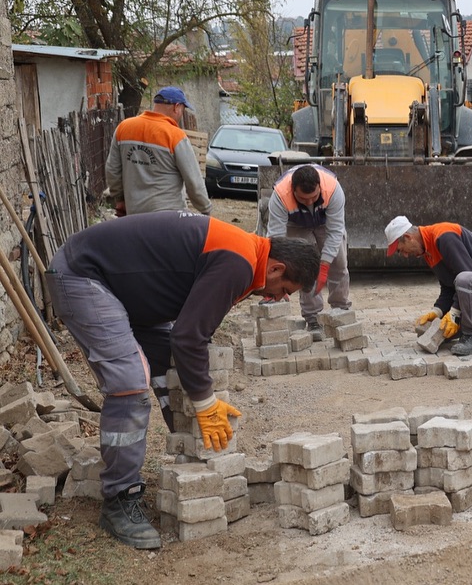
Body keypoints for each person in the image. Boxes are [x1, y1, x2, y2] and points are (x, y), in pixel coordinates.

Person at [45, 211, 319, 549]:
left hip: (129, 292)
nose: (280, 299)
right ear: (276, 268)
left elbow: (188, 334)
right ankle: (119, 499)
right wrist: (205, 403)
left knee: (169, 370)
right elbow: (190, 337)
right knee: (130, 383)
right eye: (285, 290)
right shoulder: (240, 261)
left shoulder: (245, 254)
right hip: (82, 275)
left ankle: (190, 456)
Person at [384, 215, 472, 356]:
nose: (405, 255)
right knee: (445, 332)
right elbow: (448, 287)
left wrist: (454, 313)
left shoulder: (444, 236)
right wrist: (437, 311)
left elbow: (467, 275)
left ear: (408, 237)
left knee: (464, 281)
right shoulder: (427, 250)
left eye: (401, 250)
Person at [265, 164, 351, 340]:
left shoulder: (333, 189)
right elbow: (276, 239)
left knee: (339, 263)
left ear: (319, 187)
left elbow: (335, 232)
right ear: (293, 191)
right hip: (295, 224)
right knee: (303, 268)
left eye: (313, 197)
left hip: (325, 223)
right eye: (304, 199)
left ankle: (340, 310)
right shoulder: (280, 195)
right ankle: (313, 318)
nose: (310, 202)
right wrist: (279, 279)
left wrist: (325, 265)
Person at [105, 86, 212, 217]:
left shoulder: (124, 128)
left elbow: (112, 170)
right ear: (176, 107)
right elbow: (193, 181)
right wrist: (205, 209)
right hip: (168, 217)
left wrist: (120, 199)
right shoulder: (175, 136)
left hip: (133, 216)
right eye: (183, 109)